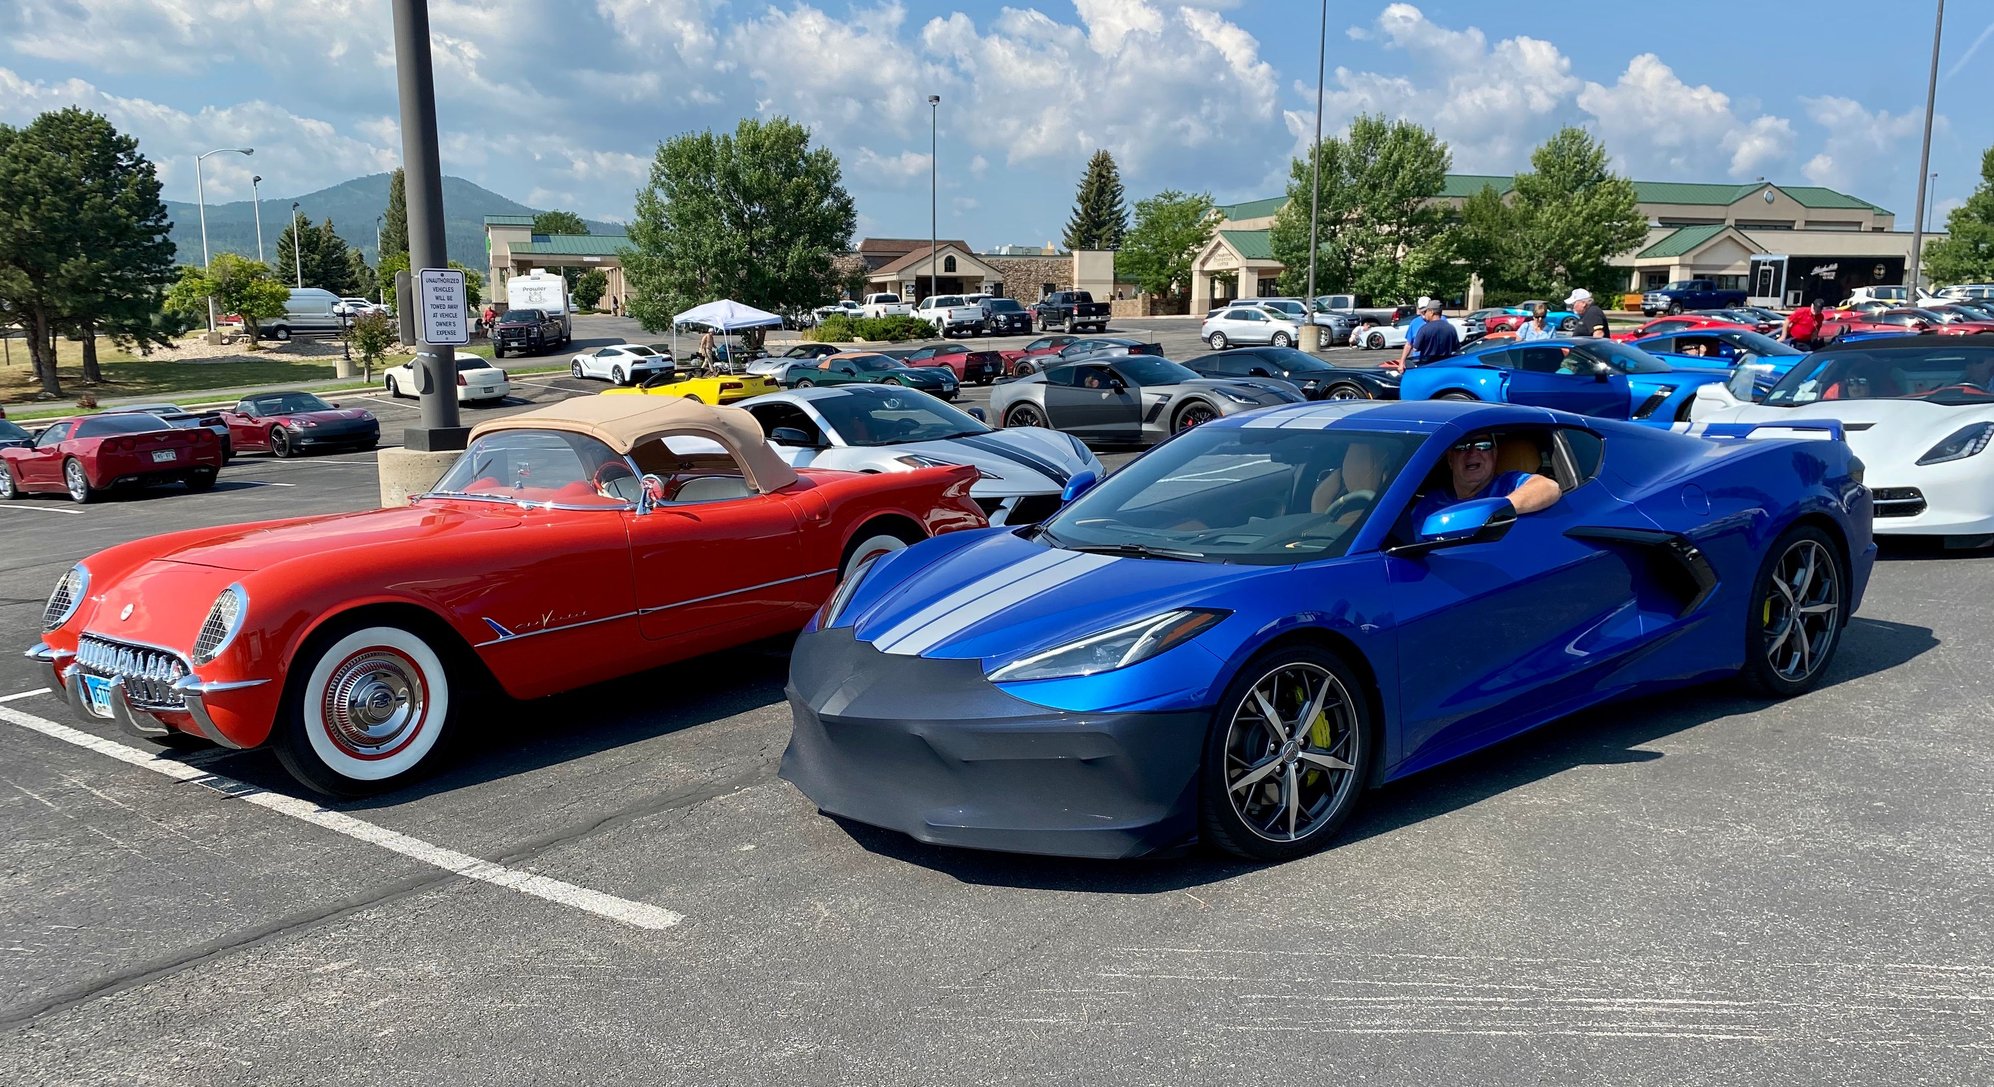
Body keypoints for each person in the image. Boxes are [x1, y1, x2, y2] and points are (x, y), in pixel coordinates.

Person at [1408, 432, 1562, 528]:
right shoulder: (1431, 500)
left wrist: (1494, 510)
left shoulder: (1506, 484)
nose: (1473, 452)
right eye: (1462, 446)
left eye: (1483, 445)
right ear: (1450, 459)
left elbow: (1549, 487)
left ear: (1494, 455)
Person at [1407, 299, 1461, 365]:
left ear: (1431, 312)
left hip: (1428, 366)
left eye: (1426, 311)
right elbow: (1456, 348)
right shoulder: (1451, 328)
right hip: (1445, 365)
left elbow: (1416, 348)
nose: (1425, 313)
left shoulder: (1424, 329)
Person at [1392, 296, 1435, 371]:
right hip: (1419, 362)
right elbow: (1409, 344)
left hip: (1437, 363)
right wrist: (1402, 362)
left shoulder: (1441, 321)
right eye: (1422, 310)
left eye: (1426, 310)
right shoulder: (1415, 323)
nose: (1424, 312)